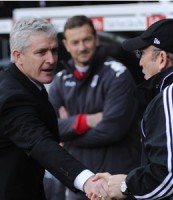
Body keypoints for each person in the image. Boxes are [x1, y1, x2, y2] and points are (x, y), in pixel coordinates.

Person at [0, 17, 108, 200]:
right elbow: (40, 144)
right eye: (41, 52)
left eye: (54, 50)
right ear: (18, 56)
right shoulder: (13, 97)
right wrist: (87, 180)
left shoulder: (24, 83)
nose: (51, 59)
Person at [93, 18, 173, 200]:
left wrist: (127, 186)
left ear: (162, 58)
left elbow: (171, 173)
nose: (140, 62)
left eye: (141, 53)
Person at [48, 15, 142, 200]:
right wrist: (85, 121)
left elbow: (112, 130)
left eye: (87, 40)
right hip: (79, 183)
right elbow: (49, 128)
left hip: (115, 184)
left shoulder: (118, 74)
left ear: (96, 39)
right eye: (75, 42)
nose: (82, 47)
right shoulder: (59, 80)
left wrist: (69, 134)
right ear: (66, 45)